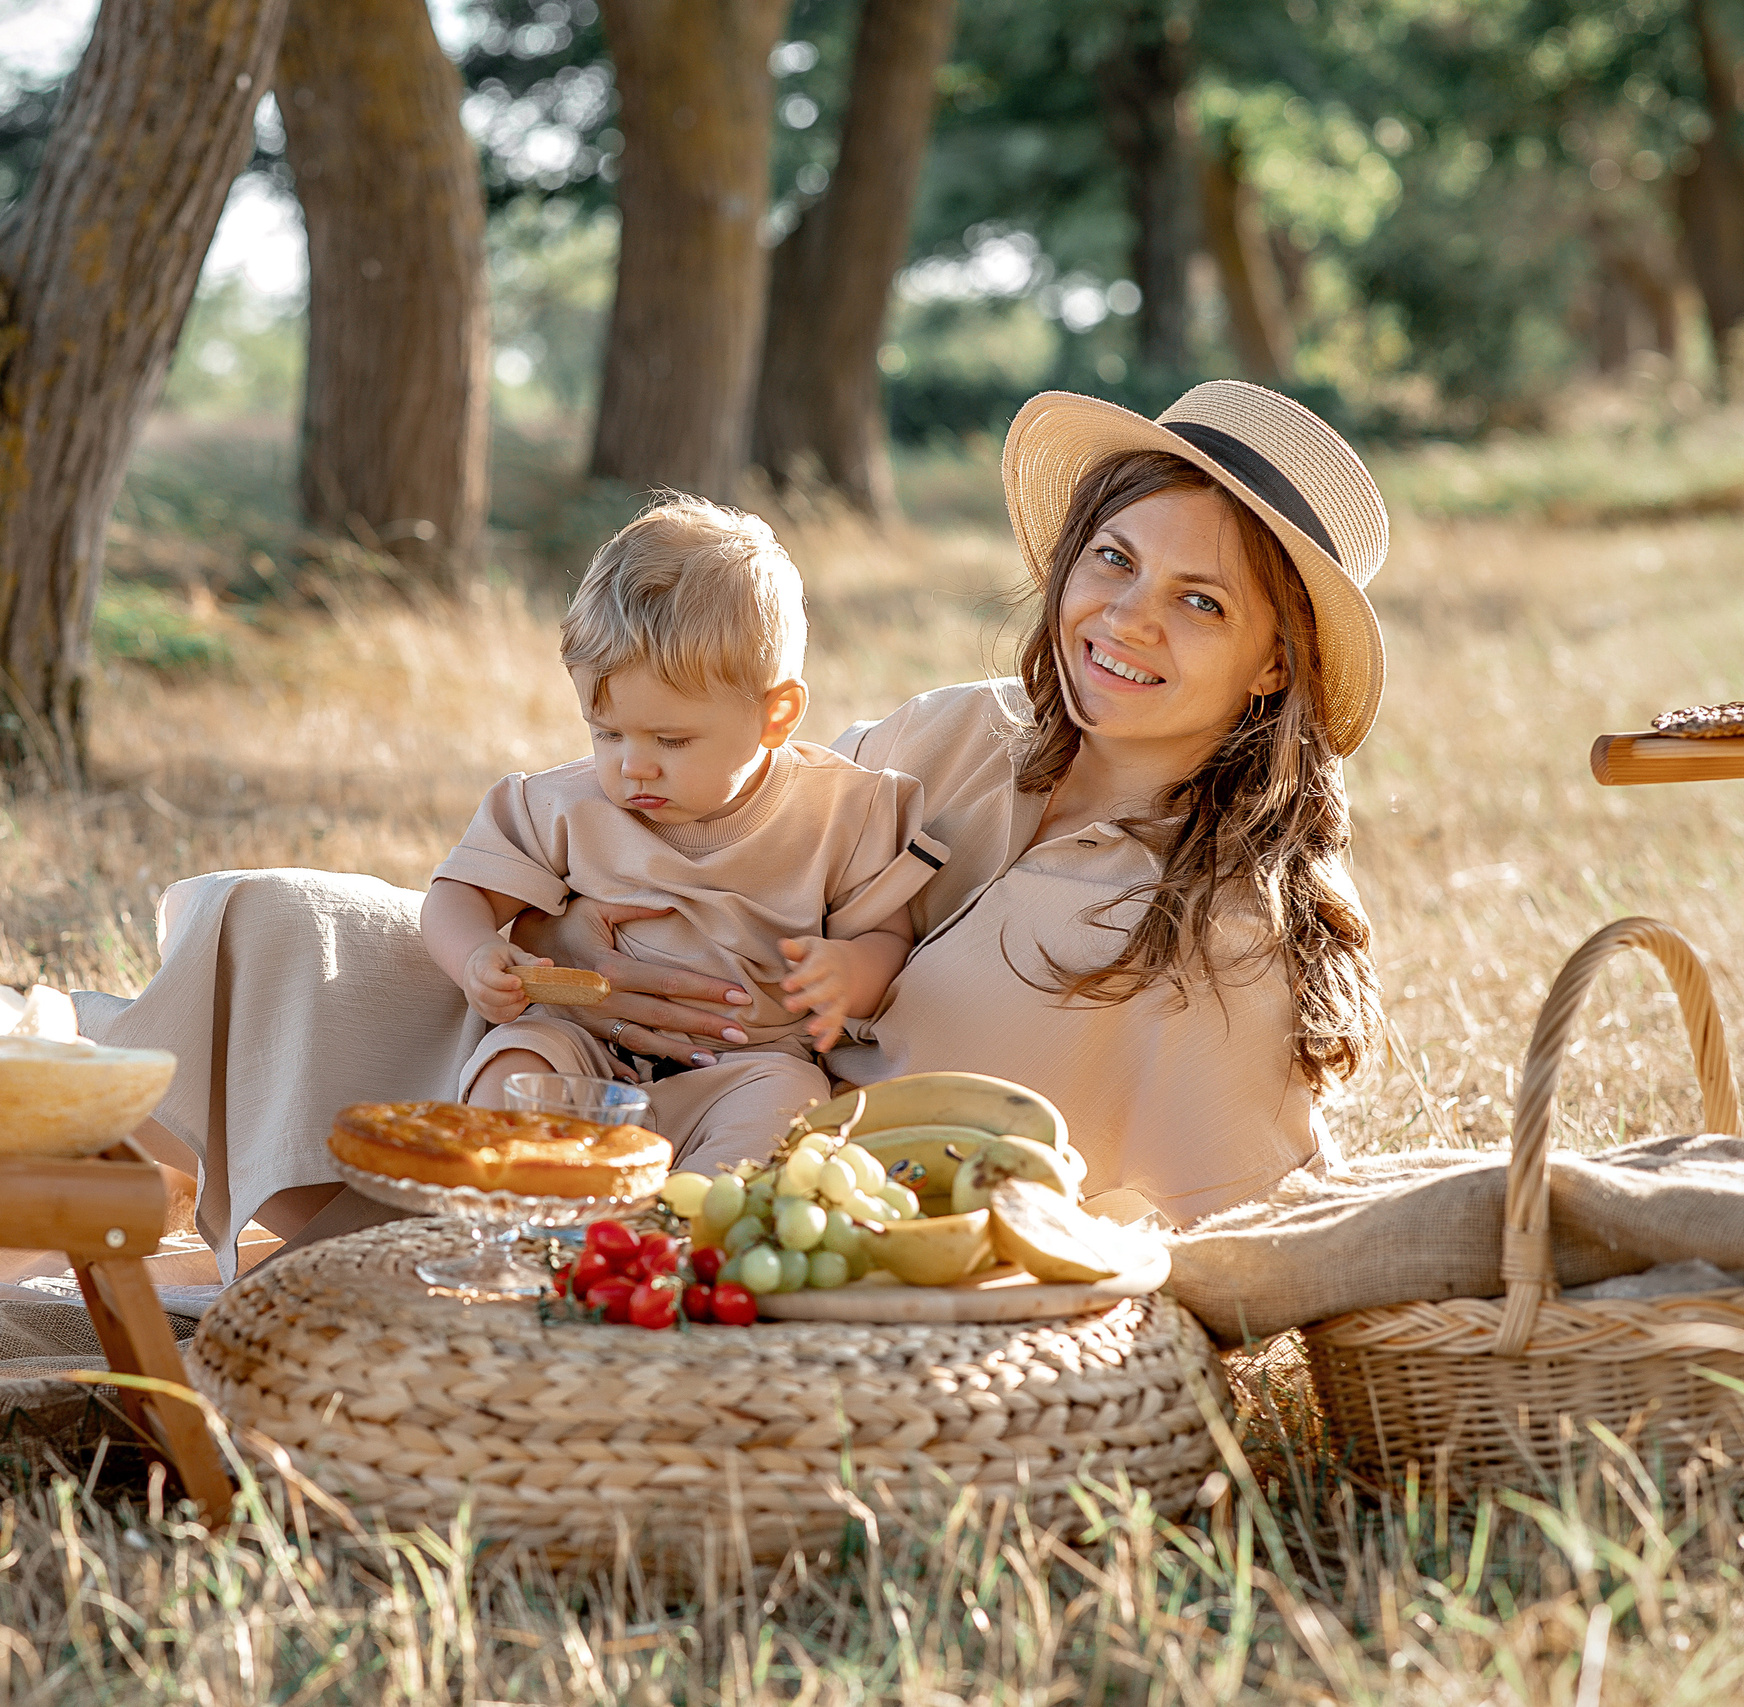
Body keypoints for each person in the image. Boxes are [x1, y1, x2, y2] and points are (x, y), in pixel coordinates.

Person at [73, 380, 1388, 1277]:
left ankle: (474, 1245)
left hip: (766, 1189)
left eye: (1202, 601)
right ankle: (116, 1181)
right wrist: (582, 953)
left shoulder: (1215, 918)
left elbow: (1259, 1198)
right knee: (279, 917)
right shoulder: (966, 732)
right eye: (1114, 561)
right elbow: (725, 800)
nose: (1130, 618)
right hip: (593, 1043)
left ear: (1274, 665)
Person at [425, 495, 947, 1174]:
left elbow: (887, 936)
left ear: (776, 714)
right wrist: (471, 957)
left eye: (671, 738)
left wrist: (851, 973)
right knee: (514, 1064)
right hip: (587, 1052)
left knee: (791, 1110)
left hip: (748, 1065)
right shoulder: (563, 803)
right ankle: (532, 1213)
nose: (631, 765)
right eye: (606, 732)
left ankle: (686, 1233)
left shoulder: (840, 811)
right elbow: (456, 893)